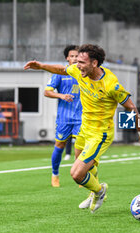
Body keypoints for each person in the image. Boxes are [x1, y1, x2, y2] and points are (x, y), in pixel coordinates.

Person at [24, 44, 140, 213]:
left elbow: (131, 108)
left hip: (100, 134)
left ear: (94, 63)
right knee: (84, 165)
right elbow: (62, 70)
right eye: (76, 61)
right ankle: (94, 191)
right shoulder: (79, 71)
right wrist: (41, 66)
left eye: (81, 62)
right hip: (84, 128)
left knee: (76, 174)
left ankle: (99, 191)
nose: (77, 65)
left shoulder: (111, 84)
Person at [44, 45, 82, 187]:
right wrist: (61, 95)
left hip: (81, 118)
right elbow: (47, 92)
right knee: (59, 145)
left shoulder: (84, 73)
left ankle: (80, 176)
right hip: (64, 118)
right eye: (72, 56)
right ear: (67, 58)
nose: (75, 59)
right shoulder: (60, 73)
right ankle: (55, 174)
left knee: (80, 149)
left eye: (77, 56)